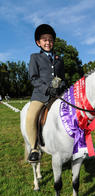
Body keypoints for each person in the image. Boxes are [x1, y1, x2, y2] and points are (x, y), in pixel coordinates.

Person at [26, 24, 65, 162]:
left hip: (58, 95)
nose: (48, 42)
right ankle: (34, 148)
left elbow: (63, 78)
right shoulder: (35, 57)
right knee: (31, 117)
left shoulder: (59, 59)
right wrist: (47, 89)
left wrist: (61, 86)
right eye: (44, 40)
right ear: (39, 42)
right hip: (40, 95)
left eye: (50, 39)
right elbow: (33, 78)